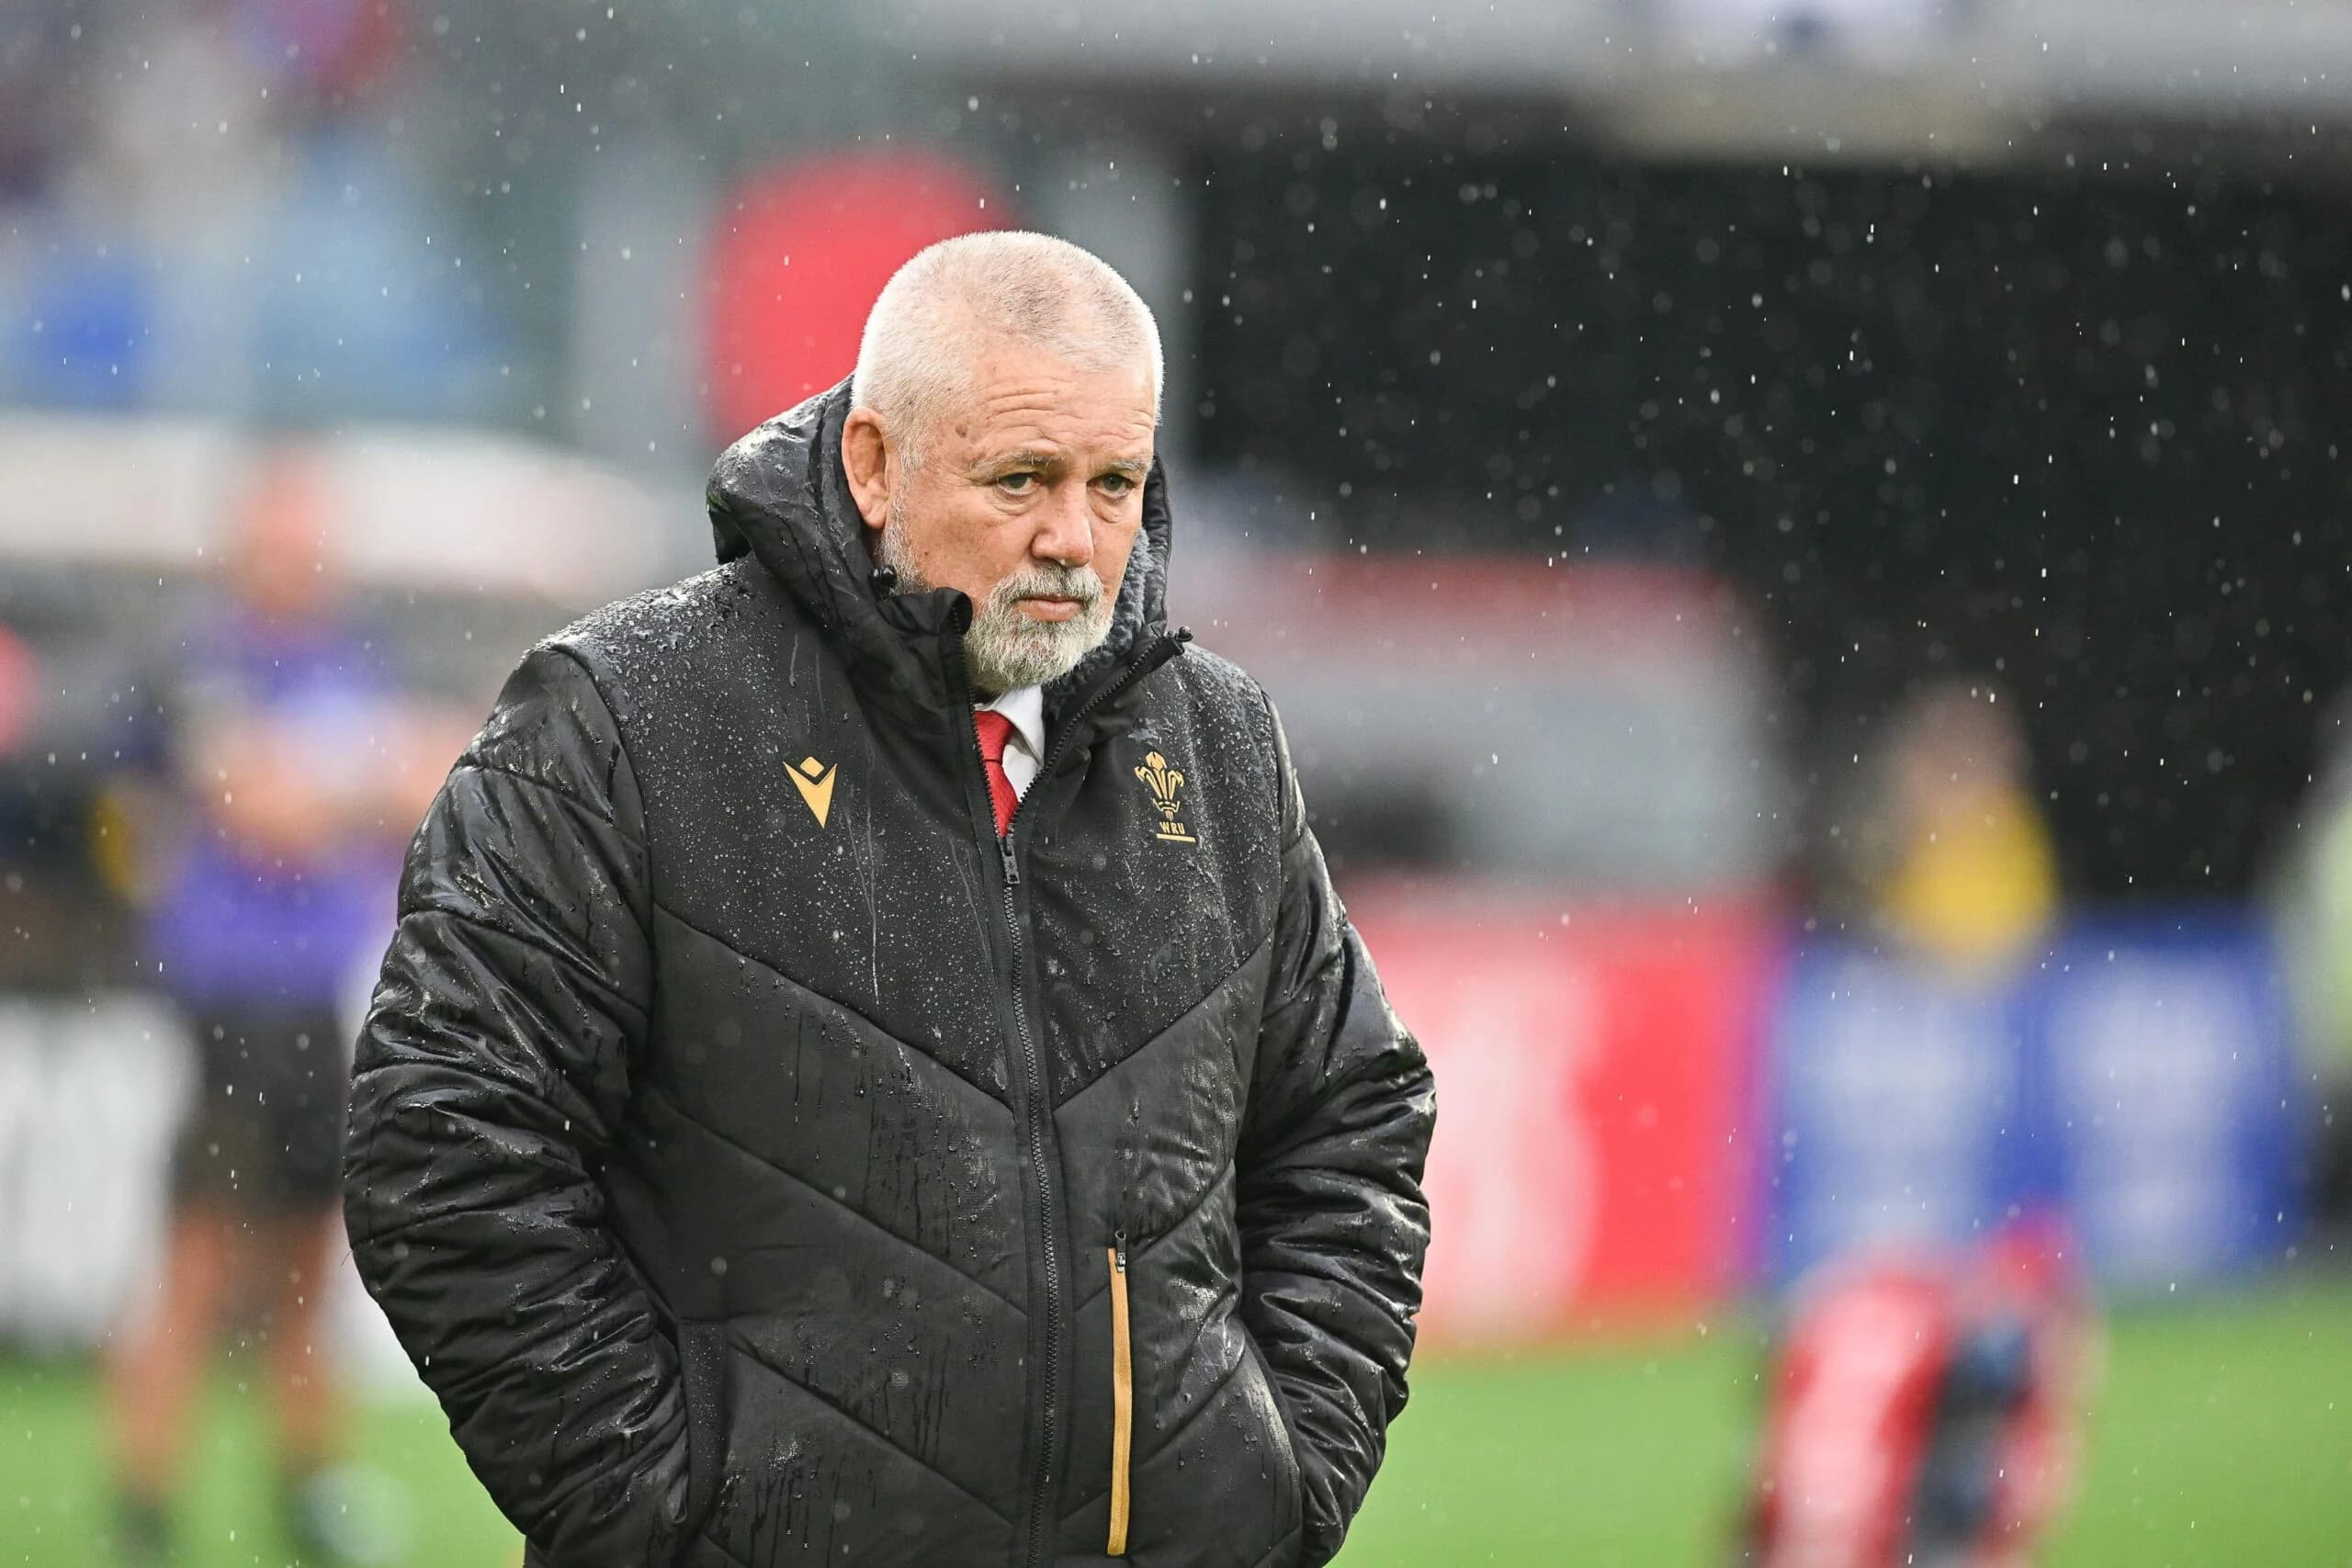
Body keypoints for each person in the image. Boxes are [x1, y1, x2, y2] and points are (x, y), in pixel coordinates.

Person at [345, 231, 1437, 1568]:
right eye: (1021, 478)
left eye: (1116, 483)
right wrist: (662, 1517)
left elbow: (1350, 1121)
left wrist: (1273, 1485)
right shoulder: (628, 715)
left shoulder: (1213, 742)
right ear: (872, 464)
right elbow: (444, 1135)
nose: (1074, 539)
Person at [106, 448, 432, 1566]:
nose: (304, 555)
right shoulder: (203, 663)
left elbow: (428, 788)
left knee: (310, 1261)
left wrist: (344, 785)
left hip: (328, 1002)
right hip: (235, 1005)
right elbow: (268, 809)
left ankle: (308, 1493)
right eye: (284, 533)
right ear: (246, 546)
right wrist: (357, 784)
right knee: (199, 1262)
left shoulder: (350, 659)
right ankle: (143, 1503)